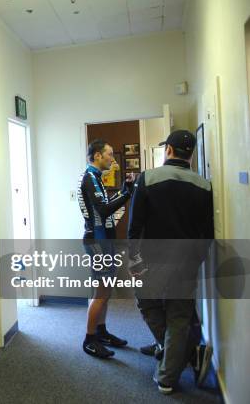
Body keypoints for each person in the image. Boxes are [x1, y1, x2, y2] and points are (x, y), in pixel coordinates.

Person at [127, 130, 214, 394]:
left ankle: (172, 352)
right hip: (186, 261)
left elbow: (135, 226)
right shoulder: (204, 185)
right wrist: (196, 260)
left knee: (146, 302)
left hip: (152, 259)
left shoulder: (148, 178)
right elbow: (207, 234)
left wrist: (134, 259)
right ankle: (168, 373)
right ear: (191, 154)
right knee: (179, 316)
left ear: (169, 150)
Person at [77, 139, 134, 359]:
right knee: (101, 292)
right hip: (97, 242)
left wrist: (122, 192)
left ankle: (101, 331)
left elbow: (106, 209)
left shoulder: (96, 178)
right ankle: (89, 339)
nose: (113, 159)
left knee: (106, 290)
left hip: (104, 240)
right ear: (97, 156)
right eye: (109, 154)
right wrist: (126, 194)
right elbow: (102, 211)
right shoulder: (89, 178)